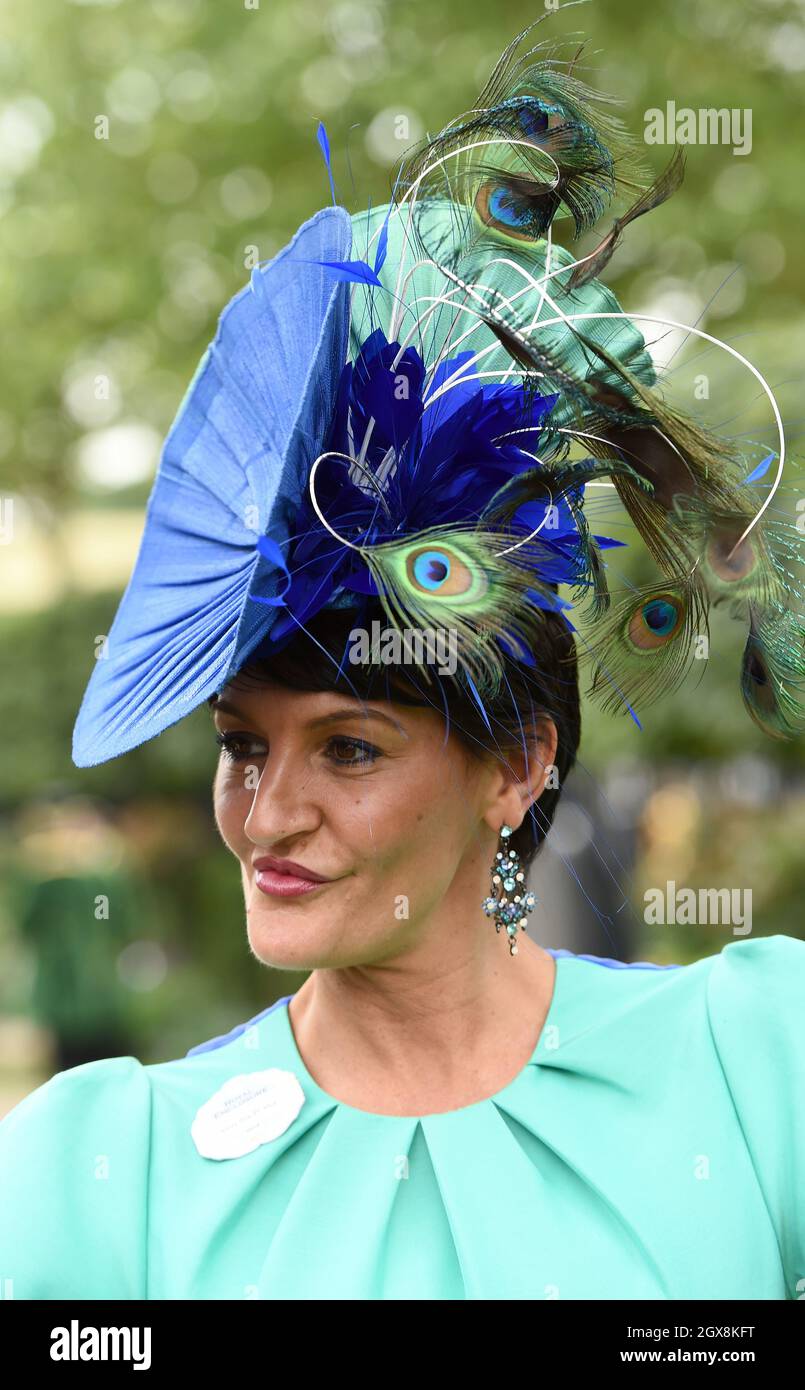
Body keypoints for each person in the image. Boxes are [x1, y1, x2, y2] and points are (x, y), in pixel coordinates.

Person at [1, 21, 803, 1300]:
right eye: (241, 745)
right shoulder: (102, 1176)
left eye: (351, 746)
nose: (267, 813)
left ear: (519, 765)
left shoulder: (759, 1067)